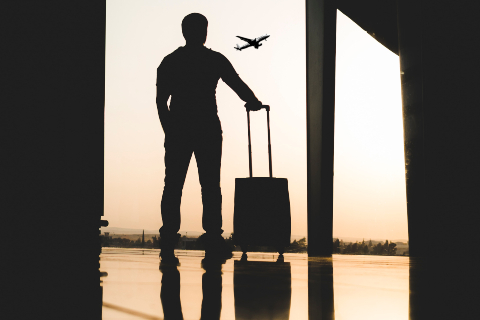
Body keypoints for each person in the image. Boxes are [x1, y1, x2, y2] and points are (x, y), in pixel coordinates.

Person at [156, 13, 264, 264]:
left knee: (173, 186)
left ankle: (169, 238)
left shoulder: (170, 61)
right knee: (211, 186)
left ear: (184, 32)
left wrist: (169, 130)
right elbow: (236, 83)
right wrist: (253, 101)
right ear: (204, 32)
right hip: (207, 128)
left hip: (179, 129)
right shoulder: (213, 59)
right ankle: (213, 237)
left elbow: (161, 101)